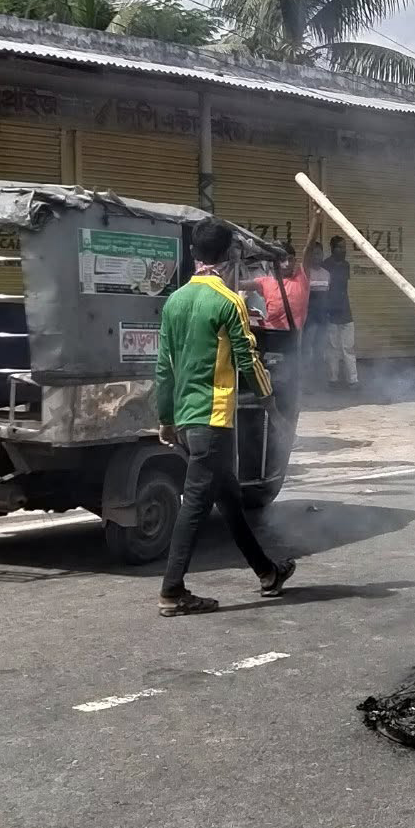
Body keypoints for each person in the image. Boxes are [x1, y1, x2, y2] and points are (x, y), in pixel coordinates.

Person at [154, 219, 297, 616]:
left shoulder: (175, 301)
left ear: (194, 255)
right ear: (231, 257)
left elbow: (163, 367)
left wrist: (165, 418)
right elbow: (248, 358)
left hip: (186, 418)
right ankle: (172, 591)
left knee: (229, 498)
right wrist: (271, 404)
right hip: (214, 419)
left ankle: (268, 572)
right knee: (196, 501)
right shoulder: (228, 301)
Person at [322, 236, 357, 388]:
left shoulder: (346, 265)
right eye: (340, 247)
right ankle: (333, 379)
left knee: (348, 347)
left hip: (346, 312)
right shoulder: (325, 266)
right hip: (331, 312)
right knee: (333, 348)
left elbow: (344, 290)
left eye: (344, 247)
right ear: (332, 248)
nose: (343, 250)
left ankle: (353, 380)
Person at [304, 243, 330, 384]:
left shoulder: (327, 274)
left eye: (319, 254)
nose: (316, 257)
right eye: (314, 254)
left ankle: (319, 381)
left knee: (320, 351)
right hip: (309, 318)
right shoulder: (305, 273)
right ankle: (306, 382)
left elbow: (327, 295)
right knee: (307, 351)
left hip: (322, 318)